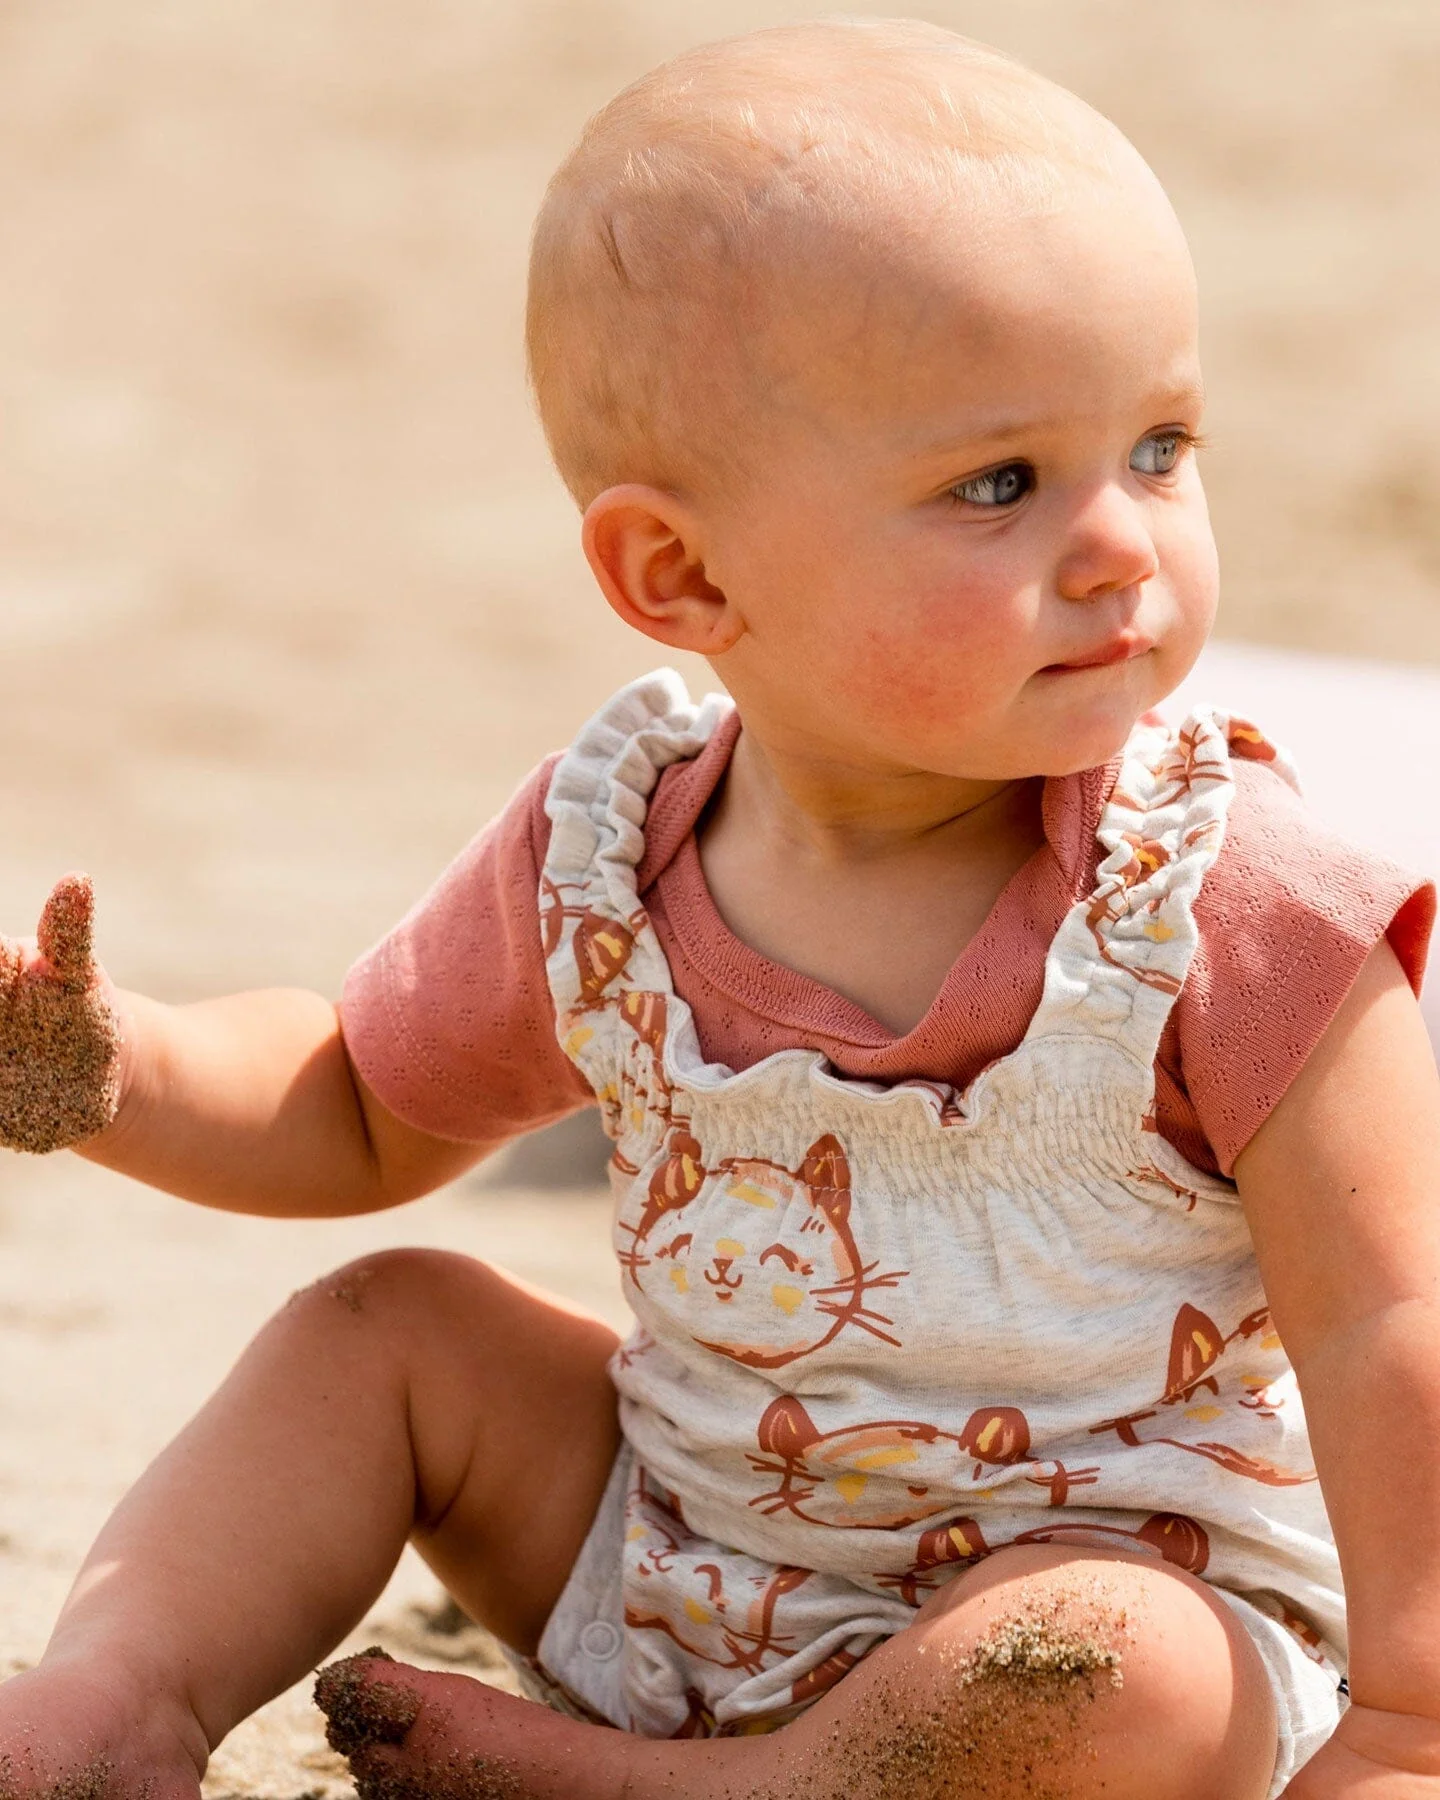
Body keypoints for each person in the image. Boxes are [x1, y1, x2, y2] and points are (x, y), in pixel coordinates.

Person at [2, 18, 1439, 1800]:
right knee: (388, 1331)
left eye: (1157, 446)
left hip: (1085, 1658)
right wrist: (116, 1071)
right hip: (689, 1582)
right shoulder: (610, 860)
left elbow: (1397, 1323)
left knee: (1107, 1663)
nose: (1120, 544)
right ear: (679, 574)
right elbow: (361, 1106)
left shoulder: (1224, 902)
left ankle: (647, 1791)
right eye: (1000, 484)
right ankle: (107, 1702)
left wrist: (1406, 1726)